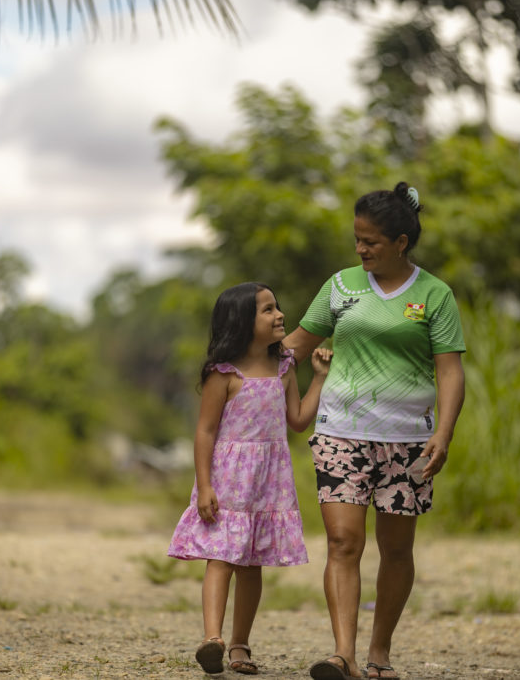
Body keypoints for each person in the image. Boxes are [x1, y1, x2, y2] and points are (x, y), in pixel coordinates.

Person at [283, 182, 466, 680]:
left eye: (371, 242)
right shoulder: (340, 287)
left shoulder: (434, 294)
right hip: (340, 430)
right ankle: (342, 653)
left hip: (409, 440)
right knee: (343, 542)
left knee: (397, 548)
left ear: (402, 242)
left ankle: (379, 651)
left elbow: (450, 370)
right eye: (357, 239)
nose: (360, 249)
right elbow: (295, 347)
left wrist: (443, 434)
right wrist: (239, 380)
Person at [167, 281, 333, 675]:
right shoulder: (223, 373)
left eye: (277, 307)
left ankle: (240, 645)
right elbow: (205, 431)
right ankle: (213, 639)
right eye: (268, 310)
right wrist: (204, 485)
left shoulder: (285, 367)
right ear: (242, 321)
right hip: (227, 479)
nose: (279, 315)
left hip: (267, 480)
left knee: (252, 563)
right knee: (221, 558)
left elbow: (296, 421)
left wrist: (320, 379)